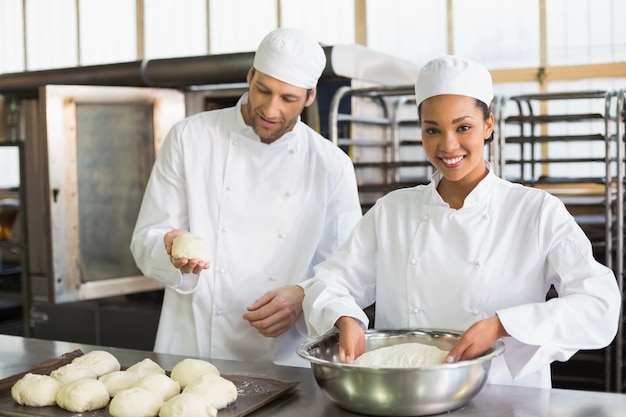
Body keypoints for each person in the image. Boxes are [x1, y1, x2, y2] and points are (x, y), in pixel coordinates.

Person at [301, 55, 621, 387]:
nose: (448, 145)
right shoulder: (393, 211)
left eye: (463, 127)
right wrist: (345, 316)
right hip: (407, 397)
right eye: (433, 130)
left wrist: (503, 325)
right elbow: (327, 281)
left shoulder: (534, 211)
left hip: (504, 400)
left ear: (488, 125)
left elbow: (599, 306)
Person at [130, 28, 362, 367]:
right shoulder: (190, 138)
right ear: (250, 75)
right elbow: (144, 241)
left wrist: (301, 295)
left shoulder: (331, 165)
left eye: (288, 98)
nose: (270, 109)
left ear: (310, 96)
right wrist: (168, 247)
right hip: (194, 348)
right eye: (263, 90)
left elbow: (344, 269)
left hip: (283, 357)